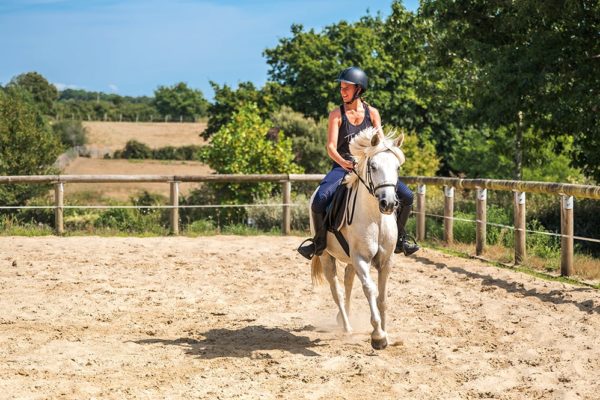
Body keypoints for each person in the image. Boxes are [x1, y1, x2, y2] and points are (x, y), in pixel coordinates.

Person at [297, 66, 419, 260]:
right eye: (341, 88)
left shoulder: (373, 114)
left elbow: (380, 144)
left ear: (359, 90)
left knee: (408, 196)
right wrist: (343, 162)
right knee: (320, 199)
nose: (342, 91)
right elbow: (330, 147)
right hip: (342, 168)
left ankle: (401, 239)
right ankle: (318, 242)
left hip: (368, 169)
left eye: (346, 88)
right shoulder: (336, 115)